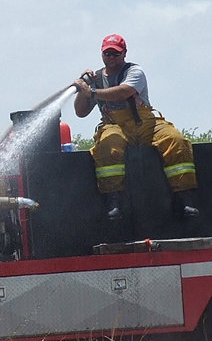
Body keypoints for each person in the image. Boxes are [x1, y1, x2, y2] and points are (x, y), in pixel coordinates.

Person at [72, 34, 199, 221]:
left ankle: (185, 199)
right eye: (107, 53)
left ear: (124, 53)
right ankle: (114, 202)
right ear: (101, 54)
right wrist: (83, 89)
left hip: (145, 123)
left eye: (116, 54)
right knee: (108, 146)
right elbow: (80, 112)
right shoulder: (97, 79)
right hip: (114, 125)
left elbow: (124, 92)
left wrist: (91, 92)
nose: (111, 57)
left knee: (175, 141)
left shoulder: (134, 71)